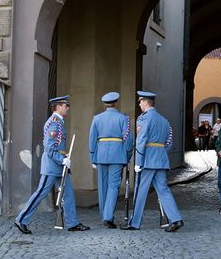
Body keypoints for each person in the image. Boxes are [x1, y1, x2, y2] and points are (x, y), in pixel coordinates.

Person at [14, 95, 90, 234]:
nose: (67, 108)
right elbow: (49, 148)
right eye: (65, 105)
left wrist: (64, 158)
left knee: (68, 194)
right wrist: (62, 159)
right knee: (41, 193)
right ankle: (21, 219)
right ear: (58, 106)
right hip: (52, 166)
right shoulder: (54, 123)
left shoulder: (59, 122)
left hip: (60, 165)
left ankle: (73, 223)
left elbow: (57, 146)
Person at [121, 91, 183, 232]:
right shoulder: (164, 120)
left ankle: (134, 223)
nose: (139, 104)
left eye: (140, 102)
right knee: (164, 190)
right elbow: (169, 142)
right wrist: (160, 153)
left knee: (140, 191)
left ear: (145, 102)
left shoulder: (144, 119)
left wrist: (138, 161)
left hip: (147, 160)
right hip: (160, 160)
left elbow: (141, 140)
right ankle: (176, 219)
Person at [89, 92, 133, 229]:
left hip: (101, 154)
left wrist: (93, 157)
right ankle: (108, 217)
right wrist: (127, 156)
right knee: (113, 186)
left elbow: (92, 139)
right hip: (117, 155)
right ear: (116, 102)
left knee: (103, 187)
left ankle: (104, 215)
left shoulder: (97, 118)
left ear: (105, 104)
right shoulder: (123, 118)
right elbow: (128, 140)